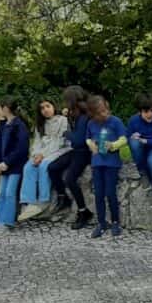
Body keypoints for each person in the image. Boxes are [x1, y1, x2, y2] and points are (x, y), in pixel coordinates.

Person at [47, 86, 95, 229]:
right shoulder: (77, 114)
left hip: (85, 152)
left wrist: (66, 133)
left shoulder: (84, 116)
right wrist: (68, 116)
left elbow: (79, 139)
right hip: (76, 150)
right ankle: (63, 197)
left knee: (70, 179)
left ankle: (83, 211)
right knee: (52, 167)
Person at [17, 98, 70, 222]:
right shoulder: (40, 124)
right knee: (28, 166)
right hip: (43, 151)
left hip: (60, 149)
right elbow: (36, 141)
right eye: (42, 108)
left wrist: (43, 155)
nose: (45, 110)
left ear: (53, 106)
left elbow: (59, 141)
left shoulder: (62, 120)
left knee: (43, 165)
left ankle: (43, 200)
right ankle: (27, 201)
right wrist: (36, 154)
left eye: (47, 106)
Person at [84, 95, 127, 237]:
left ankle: (115, 221)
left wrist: (113, 145)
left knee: (110, 193)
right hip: (97, 162)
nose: (104, 114)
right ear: (93, 113)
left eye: (105, 110)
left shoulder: (115, 121)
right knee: (98, 194)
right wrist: (91, 145)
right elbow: (88, 138)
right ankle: (101, 222)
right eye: (100, 112)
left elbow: (124, 138)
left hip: (111, 163)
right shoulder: (91, 123)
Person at [0, 96, 30, 230]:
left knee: (9, 193)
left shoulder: (19, 125)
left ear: (6, 108)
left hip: (15, 165)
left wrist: (7, 162)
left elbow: (21, 148)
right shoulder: (3, 125)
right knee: (1, 192)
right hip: (3, 165)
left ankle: (7, 222)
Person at [126, 92, 152, 201]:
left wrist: (145, 141)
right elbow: (127, 137)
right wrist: (133, 136)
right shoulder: (133, 120)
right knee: (134, 141)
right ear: (139, 111)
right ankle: (142, 172)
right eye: (146, 111)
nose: (150, 114)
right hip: (140, 151)